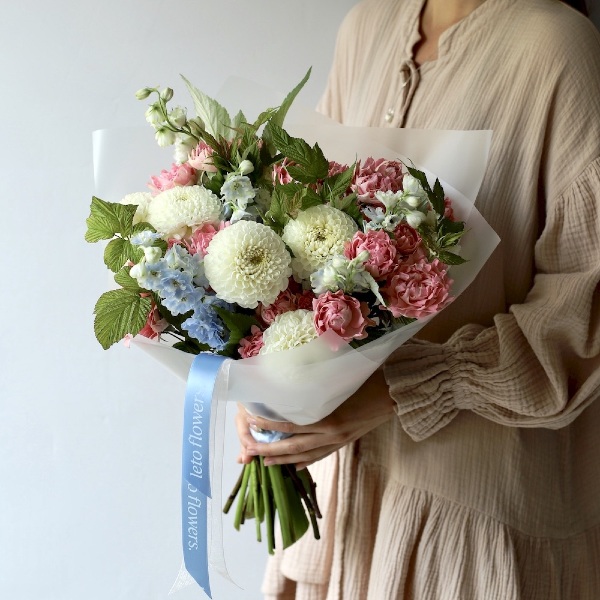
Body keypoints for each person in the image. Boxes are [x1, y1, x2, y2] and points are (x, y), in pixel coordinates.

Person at [236, 0, 600, 597]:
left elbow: (581, 321)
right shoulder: (367, 26)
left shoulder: (558, 48)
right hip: (341, 513)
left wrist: (402, 388)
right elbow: (303, 224)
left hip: (468, 529)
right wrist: (264, 372)